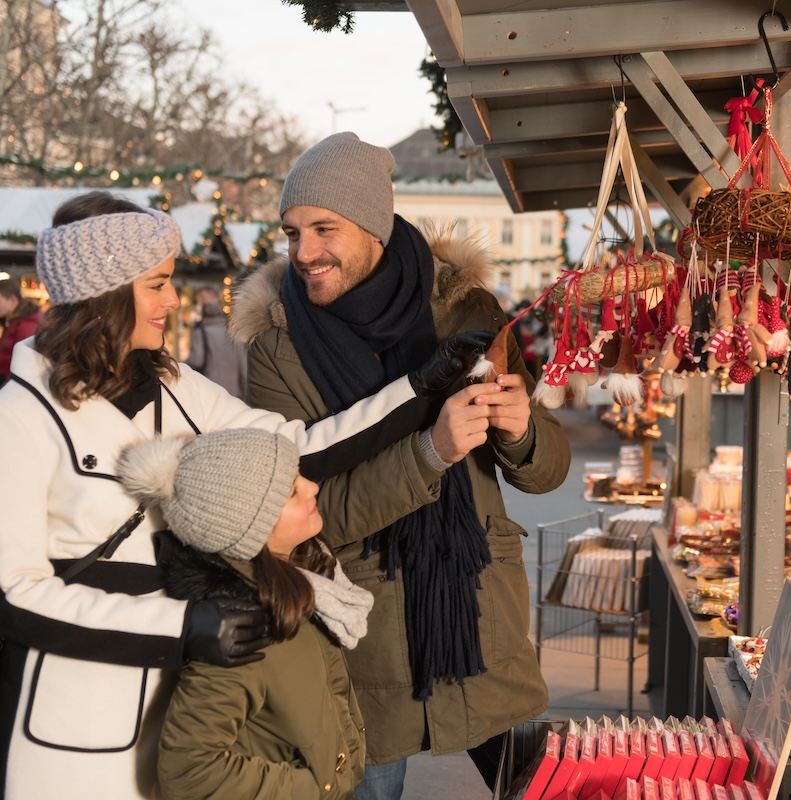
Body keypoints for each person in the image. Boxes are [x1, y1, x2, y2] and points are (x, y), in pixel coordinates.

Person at [0, 189, 489, 800]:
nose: (171, 299)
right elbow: (13, 596)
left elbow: (298, 447)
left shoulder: (174, 383)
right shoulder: (14, 417)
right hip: (73, 725)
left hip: (187, 714)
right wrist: (185, 624)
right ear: (104, 294)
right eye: (156, 283)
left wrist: (421, 387)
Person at [232, 131, 572, 799]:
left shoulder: (466, 310)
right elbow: (305, 515)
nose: (303, 253)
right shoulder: (277, 348)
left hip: (479, 624)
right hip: (364, 653)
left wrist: (520, 426)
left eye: (323, 229)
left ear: (374, 224)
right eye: (291, 231)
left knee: (535, 788)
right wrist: (431, 452)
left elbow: (546, 472)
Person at [117, 427, 371, 800]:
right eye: (291, 491)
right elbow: (189, 773)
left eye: (300, 475)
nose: (312, 487)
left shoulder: (305, 583)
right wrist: (316, 787)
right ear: (250, 526)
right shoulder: (243, 627)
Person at [185, 286, 247, 397]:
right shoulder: (233, 334)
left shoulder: (201, 333)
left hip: (210, 392)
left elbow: (196, 361)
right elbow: (243, 368)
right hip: (233, 394)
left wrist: (181, 365)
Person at [0, 277, 41, 395]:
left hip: (12, 394)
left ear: (12, 300)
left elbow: (25, 367)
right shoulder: (13, 324)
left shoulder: (24, 327)